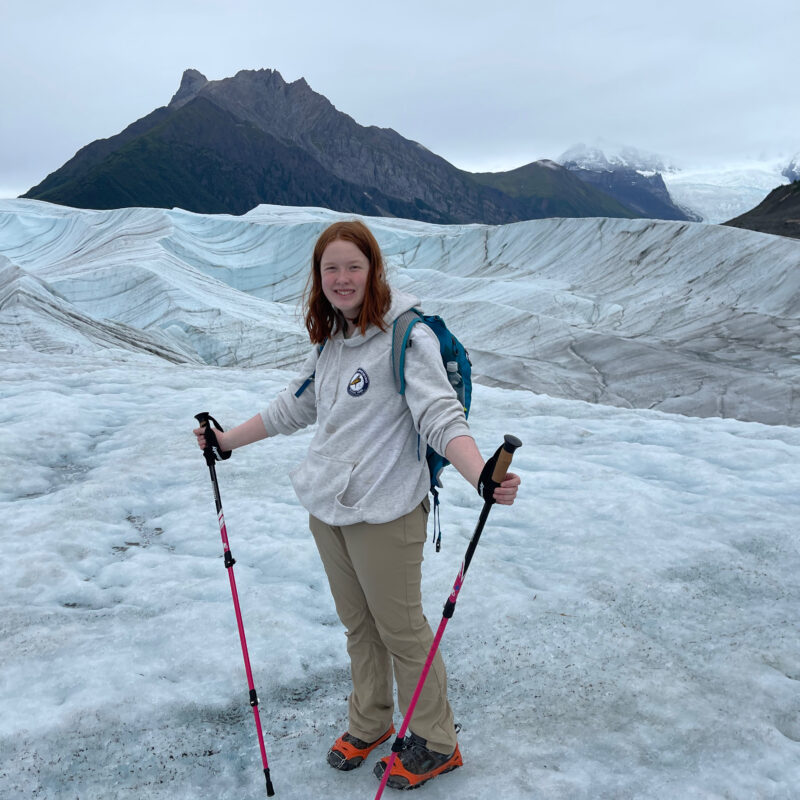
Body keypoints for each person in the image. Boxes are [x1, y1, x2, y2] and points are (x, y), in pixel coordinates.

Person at [194, 220, 520, 790]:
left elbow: (440, 416)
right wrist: (225, 443)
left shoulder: (405, 337)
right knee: (359, 627)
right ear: (318, 279)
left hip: (387, 512)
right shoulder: (333, 341)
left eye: (353, 266)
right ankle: (370, 721)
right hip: (331, 510)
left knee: (402, 630)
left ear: (374, 270)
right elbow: (293, 408)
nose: (342, 278)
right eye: (331, 269)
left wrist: (480, 477)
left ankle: (437, 741)